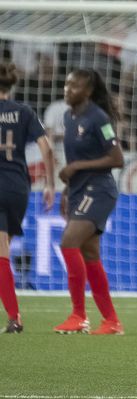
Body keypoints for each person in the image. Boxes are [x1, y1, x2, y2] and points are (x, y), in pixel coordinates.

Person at [53, 68, 125, 335]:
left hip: (99, 190)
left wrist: (77, 168)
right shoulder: (68, 117)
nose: (67, 90)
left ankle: (78, 316)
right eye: (66, 84)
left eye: (74, 86)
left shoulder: (99, 118)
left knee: (68, 242)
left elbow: (117, 159)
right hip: (78, 191)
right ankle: (112, 321)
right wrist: (66, 191)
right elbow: (73, 164)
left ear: (88, 91)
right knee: (90, 253)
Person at [0, 62, 55, 333]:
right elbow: (47, 149)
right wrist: (51, 185)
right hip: (18, 188)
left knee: (0, 253)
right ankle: (13, 315)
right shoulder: (24, 112)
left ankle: (14, 317)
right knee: (3, 250)